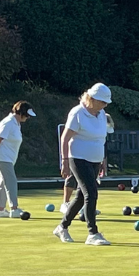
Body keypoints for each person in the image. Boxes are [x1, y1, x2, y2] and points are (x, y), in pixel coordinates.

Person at [53, 83, 112, 245]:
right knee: (91, 193)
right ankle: (92, 233)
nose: (104, 105)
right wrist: (64, 161)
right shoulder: (77, 113)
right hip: (78, 158)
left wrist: (102, 160)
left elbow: (101, 139)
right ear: (91, 99)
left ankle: (62, 227)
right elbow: (65, 138)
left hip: (95, 160)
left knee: (81, 196)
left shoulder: (101, 114)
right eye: (102, 102)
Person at [0, 100, 36, 218]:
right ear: (21, 112)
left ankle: (0, 209)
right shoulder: (8, 123)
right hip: (2, 157)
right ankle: (14, 208)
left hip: (8, 158)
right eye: (27, 115)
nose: (27, 118)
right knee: (11, 181)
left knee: (4, 182)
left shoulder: (16, 124)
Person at [60, 113, 113, 215]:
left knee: (88, 186)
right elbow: (67, 139)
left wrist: (103, 162)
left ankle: (87, 208)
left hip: (93, 159)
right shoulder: (86, 124)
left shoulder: (102, 133)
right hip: (77, 156)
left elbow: (102, 148)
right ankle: (65, 203)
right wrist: (65, 160)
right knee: (72, 177)